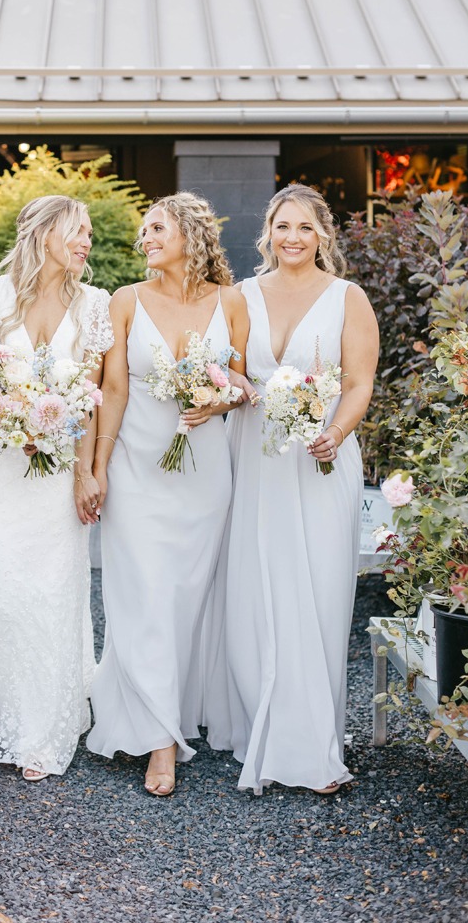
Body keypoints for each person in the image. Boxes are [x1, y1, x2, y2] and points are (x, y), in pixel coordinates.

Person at [206, 183, 378, 795]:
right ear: (268, 233)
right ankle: (261, 721)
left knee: (317, 589)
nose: (293, 238)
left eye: (305, 227)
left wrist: (334, 430)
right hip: (253, 454)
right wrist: (242, 388)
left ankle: (310, 740)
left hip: (319, 457)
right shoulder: (241, 295)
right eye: (283, 226)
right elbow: (220, 361)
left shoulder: (346, 299)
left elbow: (358, 382)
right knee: (253, 584)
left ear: (322, 234)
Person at [85, 192, 249, 796]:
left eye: (157, 227)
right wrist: (98, 468)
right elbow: (115, 390)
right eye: (144, 229)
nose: (146, 236)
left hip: (203, 474)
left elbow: (245, 380)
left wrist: (221, 397)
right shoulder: (124, 301)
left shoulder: (230, 302)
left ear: (191, 233)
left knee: (184, 598)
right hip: (136, 466)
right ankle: (160, 741)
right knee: (145, 595)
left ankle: (171, 708)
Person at [0, 195, 113, 782]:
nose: (86, 242)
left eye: (90, 234)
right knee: (5, 592)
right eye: (78, 230)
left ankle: (49, 727)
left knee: (56, 592)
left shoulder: (94, 304)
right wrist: (8, 419)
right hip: (1, 466)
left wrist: (84, 472)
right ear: (45, 232)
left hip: (58, 477)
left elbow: (92, 398)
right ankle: (12, 719)